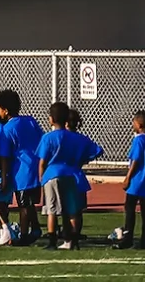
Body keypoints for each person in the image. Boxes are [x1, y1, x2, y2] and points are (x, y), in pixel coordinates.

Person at [35, 102, 102, 250]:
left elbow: (42, 162)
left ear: (51, 119)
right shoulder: (76, 137)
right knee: (72, 210)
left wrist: (41, 179)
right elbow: (97, 150)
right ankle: (74, 240)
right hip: (71, 173)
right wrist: (82, 160)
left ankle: (52, 241)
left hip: (52, 174)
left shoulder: (48, 137)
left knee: (52, 210)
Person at [0, 89, 43, 245]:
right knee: (29, 202)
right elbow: (40, 138)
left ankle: (24, 234)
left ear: (5, 111)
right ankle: (35, 228)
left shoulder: (7, 129)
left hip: (21, 170)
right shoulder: (30, 120)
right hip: (34, 166)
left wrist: (4, 174)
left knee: (23, 204)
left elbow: (6, 155)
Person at [119, 109, 145, 249]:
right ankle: (144, 240)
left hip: (136, 181)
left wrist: (128, 178)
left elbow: (135, 160)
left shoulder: (138, 141)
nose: (132, 124)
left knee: (129, 208)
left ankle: (128, 238)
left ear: (139, 124)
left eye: (134, 121)